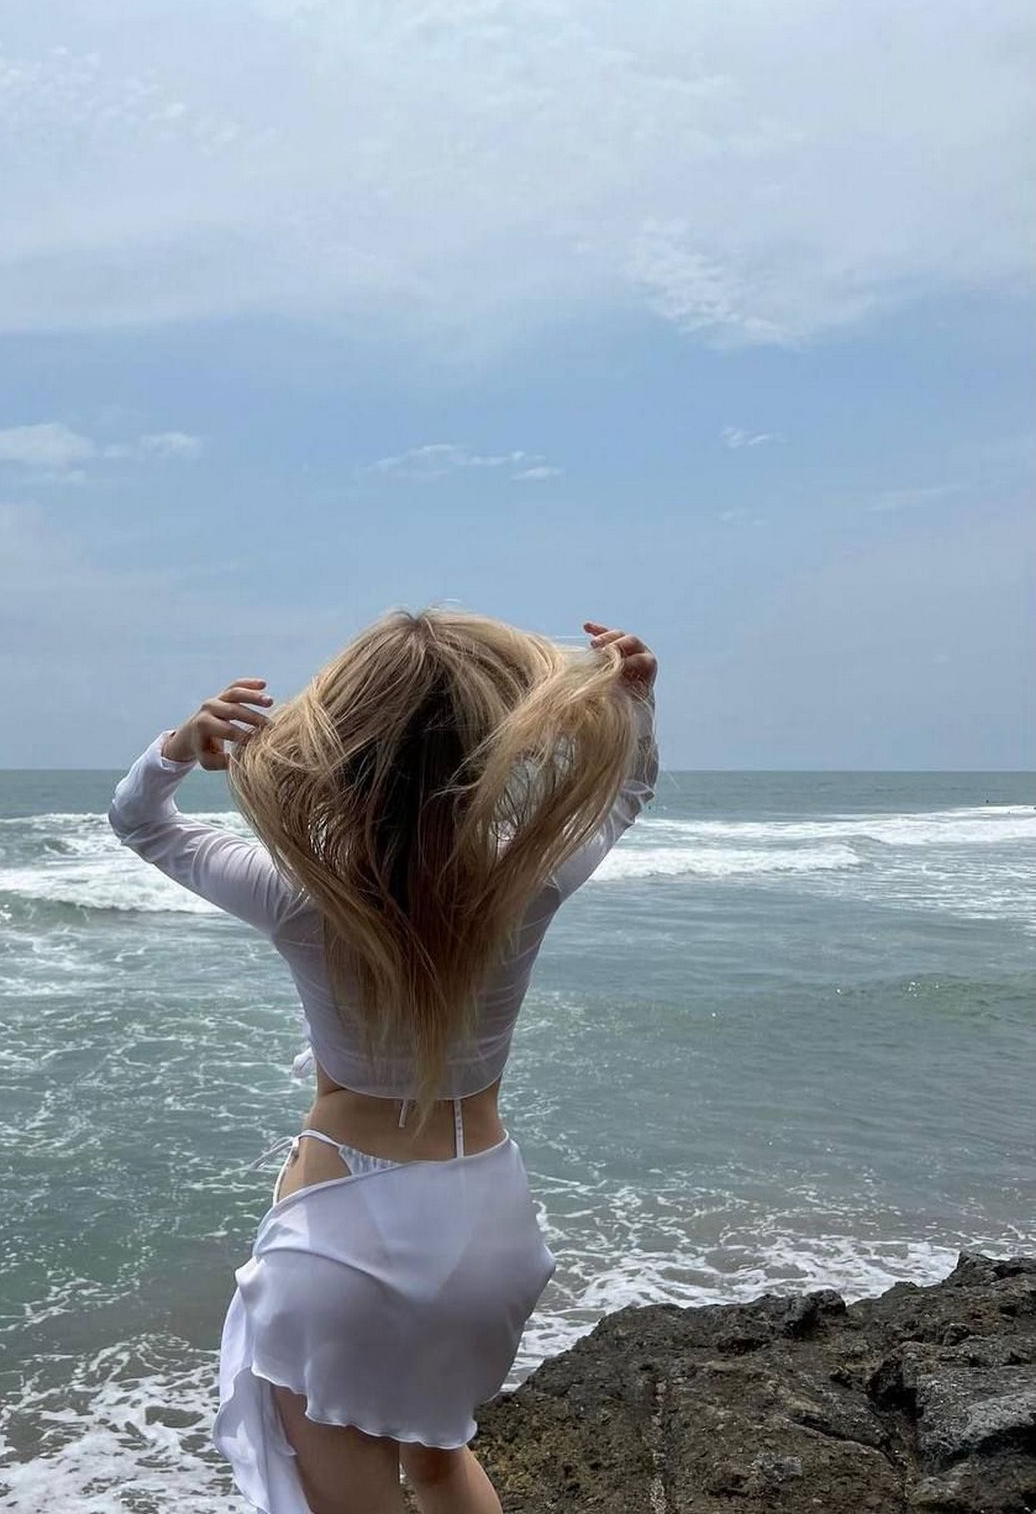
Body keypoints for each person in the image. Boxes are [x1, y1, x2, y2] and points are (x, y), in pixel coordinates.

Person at [108, 605, 659, 1514]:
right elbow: (628, 791)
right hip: (489, 1228)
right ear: (498, 747)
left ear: (338, 748)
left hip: (343, 1236)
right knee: (438, 1461)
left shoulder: (300, 896)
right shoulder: (528, 885)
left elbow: (141, 824)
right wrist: (633, 706)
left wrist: (178, 747)